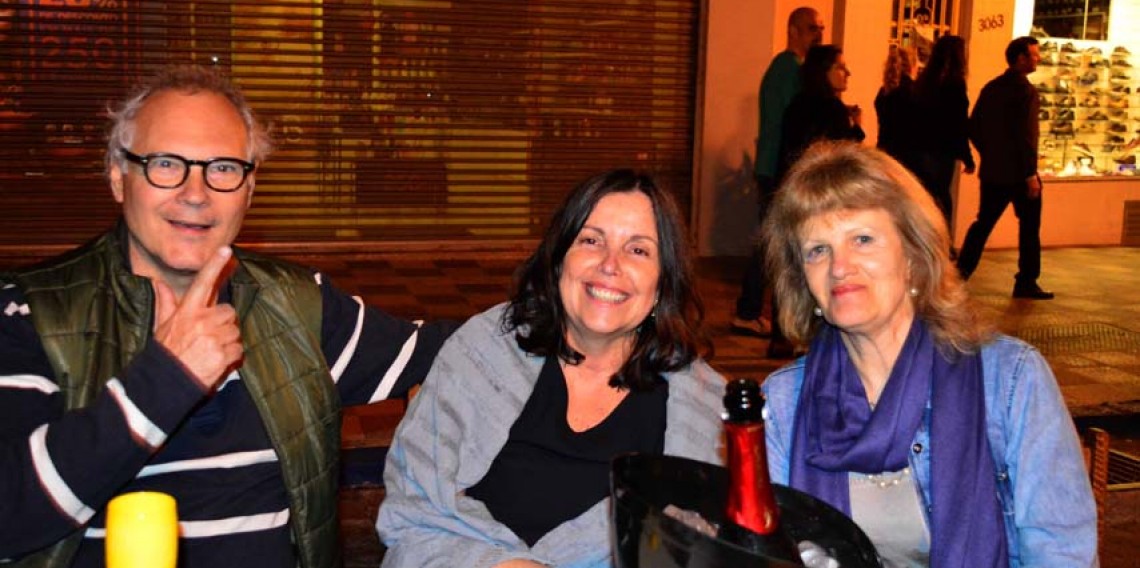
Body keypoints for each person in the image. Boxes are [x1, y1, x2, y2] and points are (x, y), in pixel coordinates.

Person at [0, 65, 455, 568]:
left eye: (222, 168)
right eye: (165, 163)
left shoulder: (296, 306)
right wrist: (165, 380)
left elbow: (451, 351)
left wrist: (547, 291)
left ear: (249, 189)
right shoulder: (30, 314)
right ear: (118, 177)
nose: (196, 193)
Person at [760, 140, 1097, 566]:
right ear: (802, 280)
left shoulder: (1010, 381)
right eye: (818, 250)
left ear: (913, 256)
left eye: (862, 239)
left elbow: (1062, 554)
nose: (839, 267)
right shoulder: (784, 403)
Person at [376, 169, 726, 567]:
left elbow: (701, 547)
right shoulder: (481, 352)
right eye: (591, 240)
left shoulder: (704, 409)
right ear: (559, 259)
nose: (610, 264)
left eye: (638, 250)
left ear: (663, 282)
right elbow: (414, 511)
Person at [732, 6, 824, 360]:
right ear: (794, 30)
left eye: (820, 28)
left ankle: (749, 308)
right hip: (776, 167)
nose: (818, 34)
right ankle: (750, 310)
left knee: (770, 241)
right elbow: (792, 122)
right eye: (812, 28)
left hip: (775, 166)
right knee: (772, 244)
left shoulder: (789, 68)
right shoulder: (786, 69)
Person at [957, 36, 1052, 299]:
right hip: (1020, 174)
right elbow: (1026, 136)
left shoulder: (992, 88)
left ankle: (960, 274)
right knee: (1029, 227)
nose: (1038, 58)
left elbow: (974, 126)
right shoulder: (1026, 92)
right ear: (1021, 58)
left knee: (983, 224)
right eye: (1034, 54)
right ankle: (1026, 280)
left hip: (994, 171)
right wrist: (1030, 173)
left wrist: (990, 152)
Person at [913, 35, 976, 244]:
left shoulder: (924, 81)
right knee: (941, 196)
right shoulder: (955, 84)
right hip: (943, 149)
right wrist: (967, 155)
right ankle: (942, 242)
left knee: (927, 195)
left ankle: (924, 240)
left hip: (922, 147)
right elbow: (959, 122)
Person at [778, 44, 865, 182]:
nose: (848, 73)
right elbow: (844, 154)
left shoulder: (797, 103)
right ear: (823, 71)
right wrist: (857, 127)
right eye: (840, 67)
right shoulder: (833, 108)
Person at [874, 45, 920, 174]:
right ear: (911, 66)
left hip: (885, 153)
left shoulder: (884, 92)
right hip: (909, 158)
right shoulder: (915, 91)